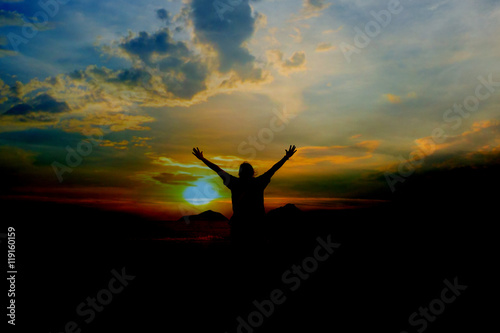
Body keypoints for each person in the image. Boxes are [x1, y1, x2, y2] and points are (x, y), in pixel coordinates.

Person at [192, 145, 297, 246]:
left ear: (239, 173)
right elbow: (273, 169)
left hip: (239, 226)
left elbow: (217, 169)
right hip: (257, 225)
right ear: (252, 172)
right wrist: (286, 157)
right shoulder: (259, 182)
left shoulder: (234, 182)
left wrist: (202, 159)